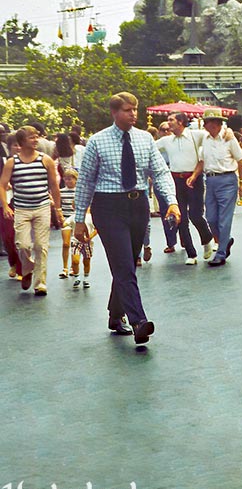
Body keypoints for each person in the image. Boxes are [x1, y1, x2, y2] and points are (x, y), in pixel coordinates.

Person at [72, 92, 180, 344]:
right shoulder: (97, 142)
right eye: (127, 110)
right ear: (114, 113)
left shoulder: (145, 139)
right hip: (108, 207)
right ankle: (138, 321)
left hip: (138, 204)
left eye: (135, 109)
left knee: (127, 263)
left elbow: (161, 173)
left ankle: (114, 313)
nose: (133, 114)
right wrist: (79, 219)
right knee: (123, 264)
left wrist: (171, 202)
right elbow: (85, 181)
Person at [0, 126, 64, 294]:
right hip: (21, 209)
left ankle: (40, 283)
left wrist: (58, 209)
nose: (36, 140)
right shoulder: (12, 162)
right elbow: (2, 184)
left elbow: (54, 186)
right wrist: (5, 205)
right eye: (31, 137)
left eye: (36, 137)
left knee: (41, 245)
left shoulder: (45, 160)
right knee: (22, 245)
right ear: (21, 142)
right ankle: (28, 269)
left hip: (42, 207)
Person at [157, 111, 216, 264]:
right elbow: (150, 148)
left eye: (171, 120)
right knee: (180, 218)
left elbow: (214, 134)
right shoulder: (166, 141)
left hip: (193, 179)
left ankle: (207, 239)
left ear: (181, 122)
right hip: (176, 180)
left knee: (196, 215)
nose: (168, 123)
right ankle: (191, 254)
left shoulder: (196, 135)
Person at [192, 108, 242, 266]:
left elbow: (241, 161)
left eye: (210, 122)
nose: (208, 125)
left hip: (227, 179)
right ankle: (225, 240)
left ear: (218, 123)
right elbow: (202, 161)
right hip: (210, 180)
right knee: (210, 217)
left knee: (224, 219)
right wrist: (194, 176)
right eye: (206, 122)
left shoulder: (229, 138)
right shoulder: (205, 139)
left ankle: (221, 253)